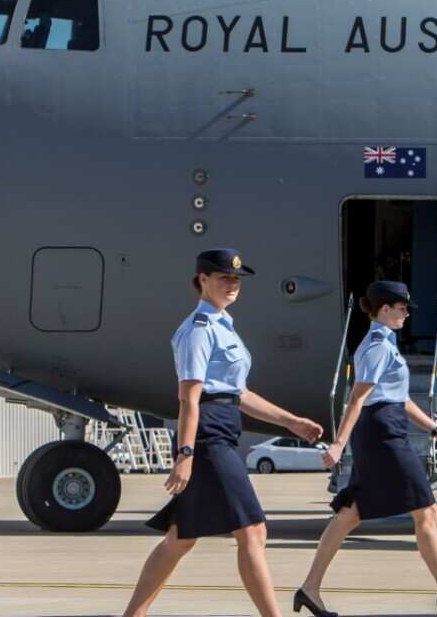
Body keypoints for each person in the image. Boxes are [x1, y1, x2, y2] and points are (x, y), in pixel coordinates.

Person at [123, 249, 324, 617]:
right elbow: (189, 399)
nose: (232, 285)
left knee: (180, 539)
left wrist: (291, 422)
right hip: (208, 435)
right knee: (252, 530)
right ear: (202, 281)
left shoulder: (222, 326)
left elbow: (239, 394)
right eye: (223, 278)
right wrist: (185, 455)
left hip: (224, 429)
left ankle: (133, 615)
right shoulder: (197, 332)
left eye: (236, 280)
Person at [294, 281, 437, 617]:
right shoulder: (377, 347)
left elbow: (403, 399)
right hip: (382, 435)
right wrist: (339, 445)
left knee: (350, 515)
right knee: (426, 510)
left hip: (387, 426)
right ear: (384, 309)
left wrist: (435, 430)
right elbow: (358, 397)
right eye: (402, 309)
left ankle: (309, 589)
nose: (406, 315)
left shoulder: (385, 343)